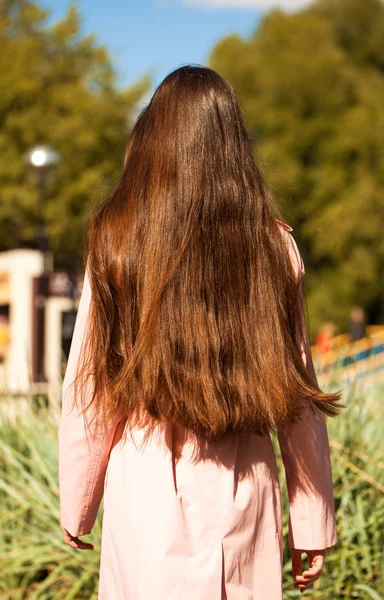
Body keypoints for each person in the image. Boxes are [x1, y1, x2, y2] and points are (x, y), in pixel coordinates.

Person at [58, 66, 342, 599]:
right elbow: (297, 393)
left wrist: (78, 500)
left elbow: (92, 390)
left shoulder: (120, 245)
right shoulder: (274, 249)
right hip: (245, 482)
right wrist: (311, 521)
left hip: (146, 487)